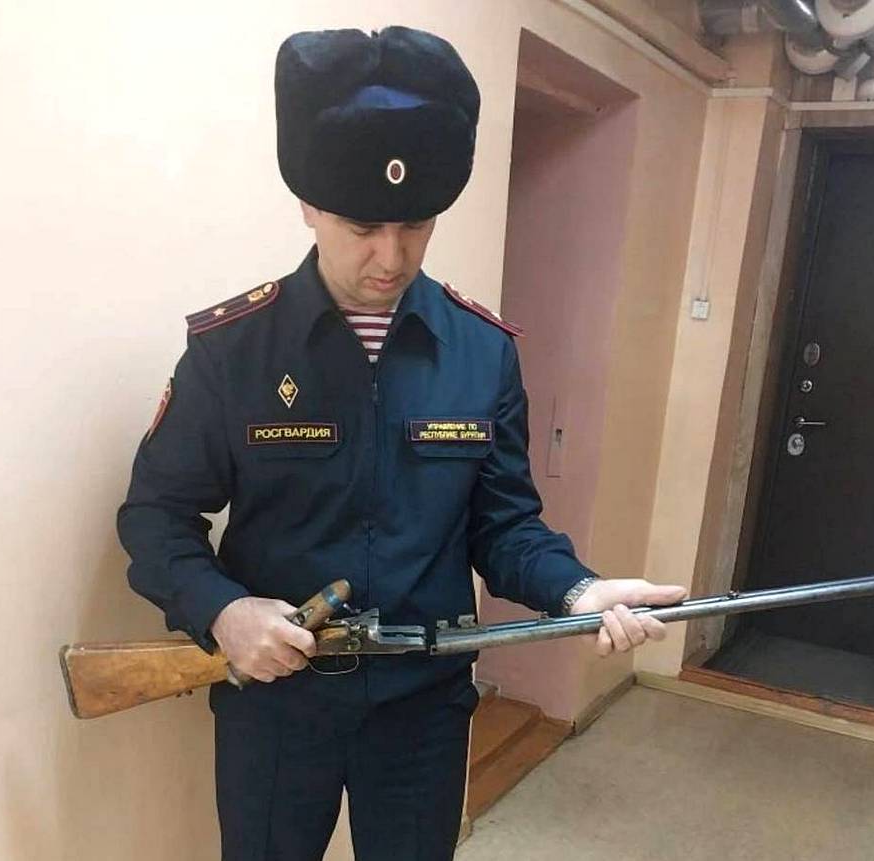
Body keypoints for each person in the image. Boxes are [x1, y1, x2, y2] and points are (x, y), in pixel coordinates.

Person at [118, 25, 688, 861]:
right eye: (362, 226)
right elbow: (155, 518)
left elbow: (505, 527)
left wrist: (578, 590)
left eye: (416, 224)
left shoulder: (482, 350)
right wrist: (223, 612)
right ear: (309, 205)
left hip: (423, 706)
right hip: (279, 708)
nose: (391, 256)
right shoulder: (233, 351)